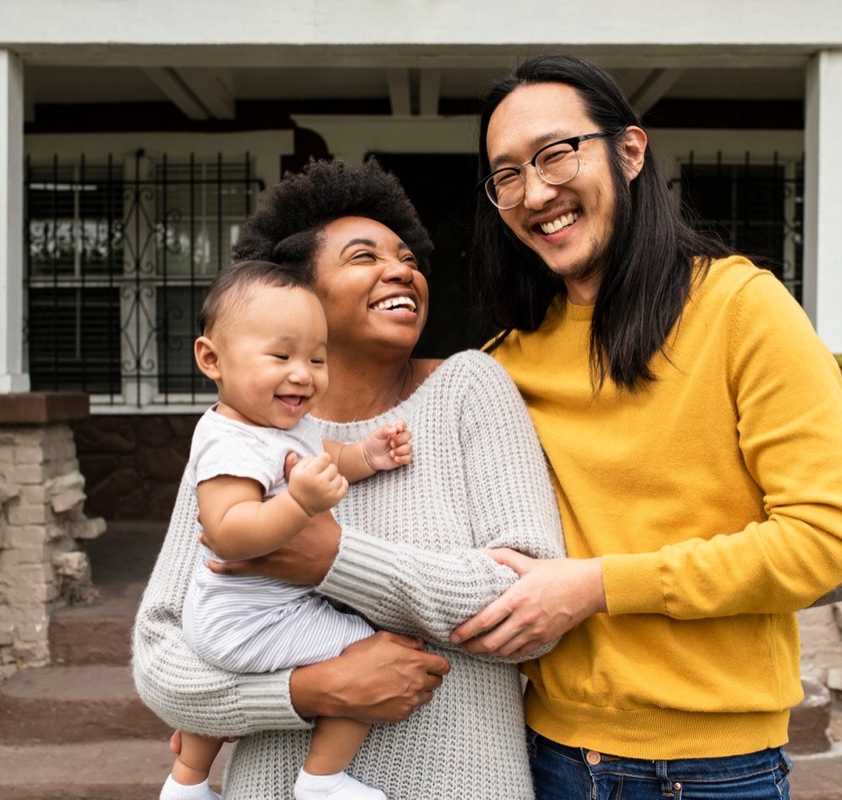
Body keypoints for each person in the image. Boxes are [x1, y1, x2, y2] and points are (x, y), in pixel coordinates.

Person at [450, 53, 842, 799]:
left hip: (715, 770)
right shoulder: (503, 365)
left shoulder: (743, 309)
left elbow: (830, 538)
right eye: (507, 174)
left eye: (556, 153)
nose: (535, 191)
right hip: (546, 754)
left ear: (630, 151)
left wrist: (597, 586)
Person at [133, 158, 566, 800]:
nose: (402, 271)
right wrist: (311, 691)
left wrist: (331, 560)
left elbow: (533, 609)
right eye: (364, 256)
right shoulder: (244, 433)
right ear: (298, 294)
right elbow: (161, 656)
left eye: (407, 258)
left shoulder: (470, 389)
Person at [162, 260, 413, 800]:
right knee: (364, 652)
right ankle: (322, 781)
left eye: (317, 359)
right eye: (281, 356)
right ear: (212, 359)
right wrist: (299, 503)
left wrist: (365, 455)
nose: (303, 373)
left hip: (242, 613)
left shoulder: (280, 427)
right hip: (248, 616)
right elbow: (227, 533)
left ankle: (185, 786)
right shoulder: (226, 440)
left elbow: (326, 457)